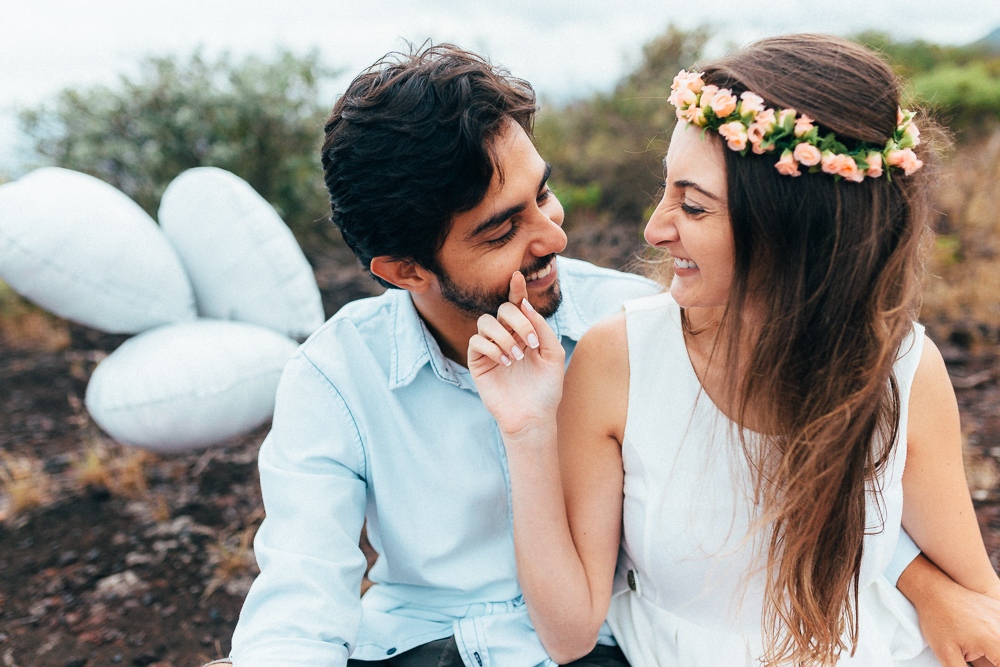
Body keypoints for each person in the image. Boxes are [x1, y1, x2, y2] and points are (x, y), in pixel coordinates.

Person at [218, 42, 993, 667]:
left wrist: (924, 582)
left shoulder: (640, 319)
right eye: (501, 228)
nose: (554, 235)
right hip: (418, 647)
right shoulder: (336, 377)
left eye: (542, 195)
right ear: (405, 270)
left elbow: (789, 481)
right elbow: (301, 594)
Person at [468, 34, 1000, 667]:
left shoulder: (903, 368)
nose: (655, 228)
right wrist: (528, 431)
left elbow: (975, 597)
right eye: (666, 190)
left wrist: (942, 598)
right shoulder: (621, 359)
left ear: (791, 229)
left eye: (693, 206)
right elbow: (569, 632)